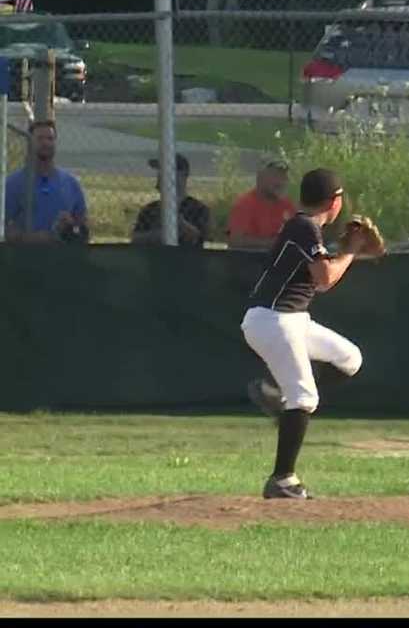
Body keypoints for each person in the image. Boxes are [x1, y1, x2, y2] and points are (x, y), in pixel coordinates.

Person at [240, 168, 367, 500]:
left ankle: (277, 396)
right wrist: (351, 250)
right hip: (274, 319)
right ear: (333, 202)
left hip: (291, 319)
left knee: (350, 359)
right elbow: (325, 279)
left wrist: (350, 247)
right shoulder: (303, 225)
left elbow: (322, 266)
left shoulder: (309, 229)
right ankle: (283, 479)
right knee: (305, 397)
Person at [4, 120, 88, 244]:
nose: (45, 143)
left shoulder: (71, 183)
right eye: (40, 139)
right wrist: (35, 239)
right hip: (24, 259)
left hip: (63, 258)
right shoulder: (12, 184)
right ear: (30, 142)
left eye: (50, 138)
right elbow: (5, 229)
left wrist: (71, 227)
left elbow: (84, 231)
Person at [131, 154, 211, 248]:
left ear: (182, 176)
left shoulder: (199, 209)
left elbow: (198, 238)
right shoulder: (149, 209)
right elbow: (136, 239)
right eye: (160, 171)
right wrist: (162, 235)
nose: (160, 175)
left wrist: (182, 224)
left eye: (166, 171)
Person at [227, 159, 296, 250]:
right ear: (260, 178)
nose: (280, 181)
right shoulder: (244, 204)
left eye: (283, 176)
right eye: (275, 176)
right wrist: (271, 243)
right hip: (251, 261)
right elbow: (235, 241)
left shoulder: (287, 205)